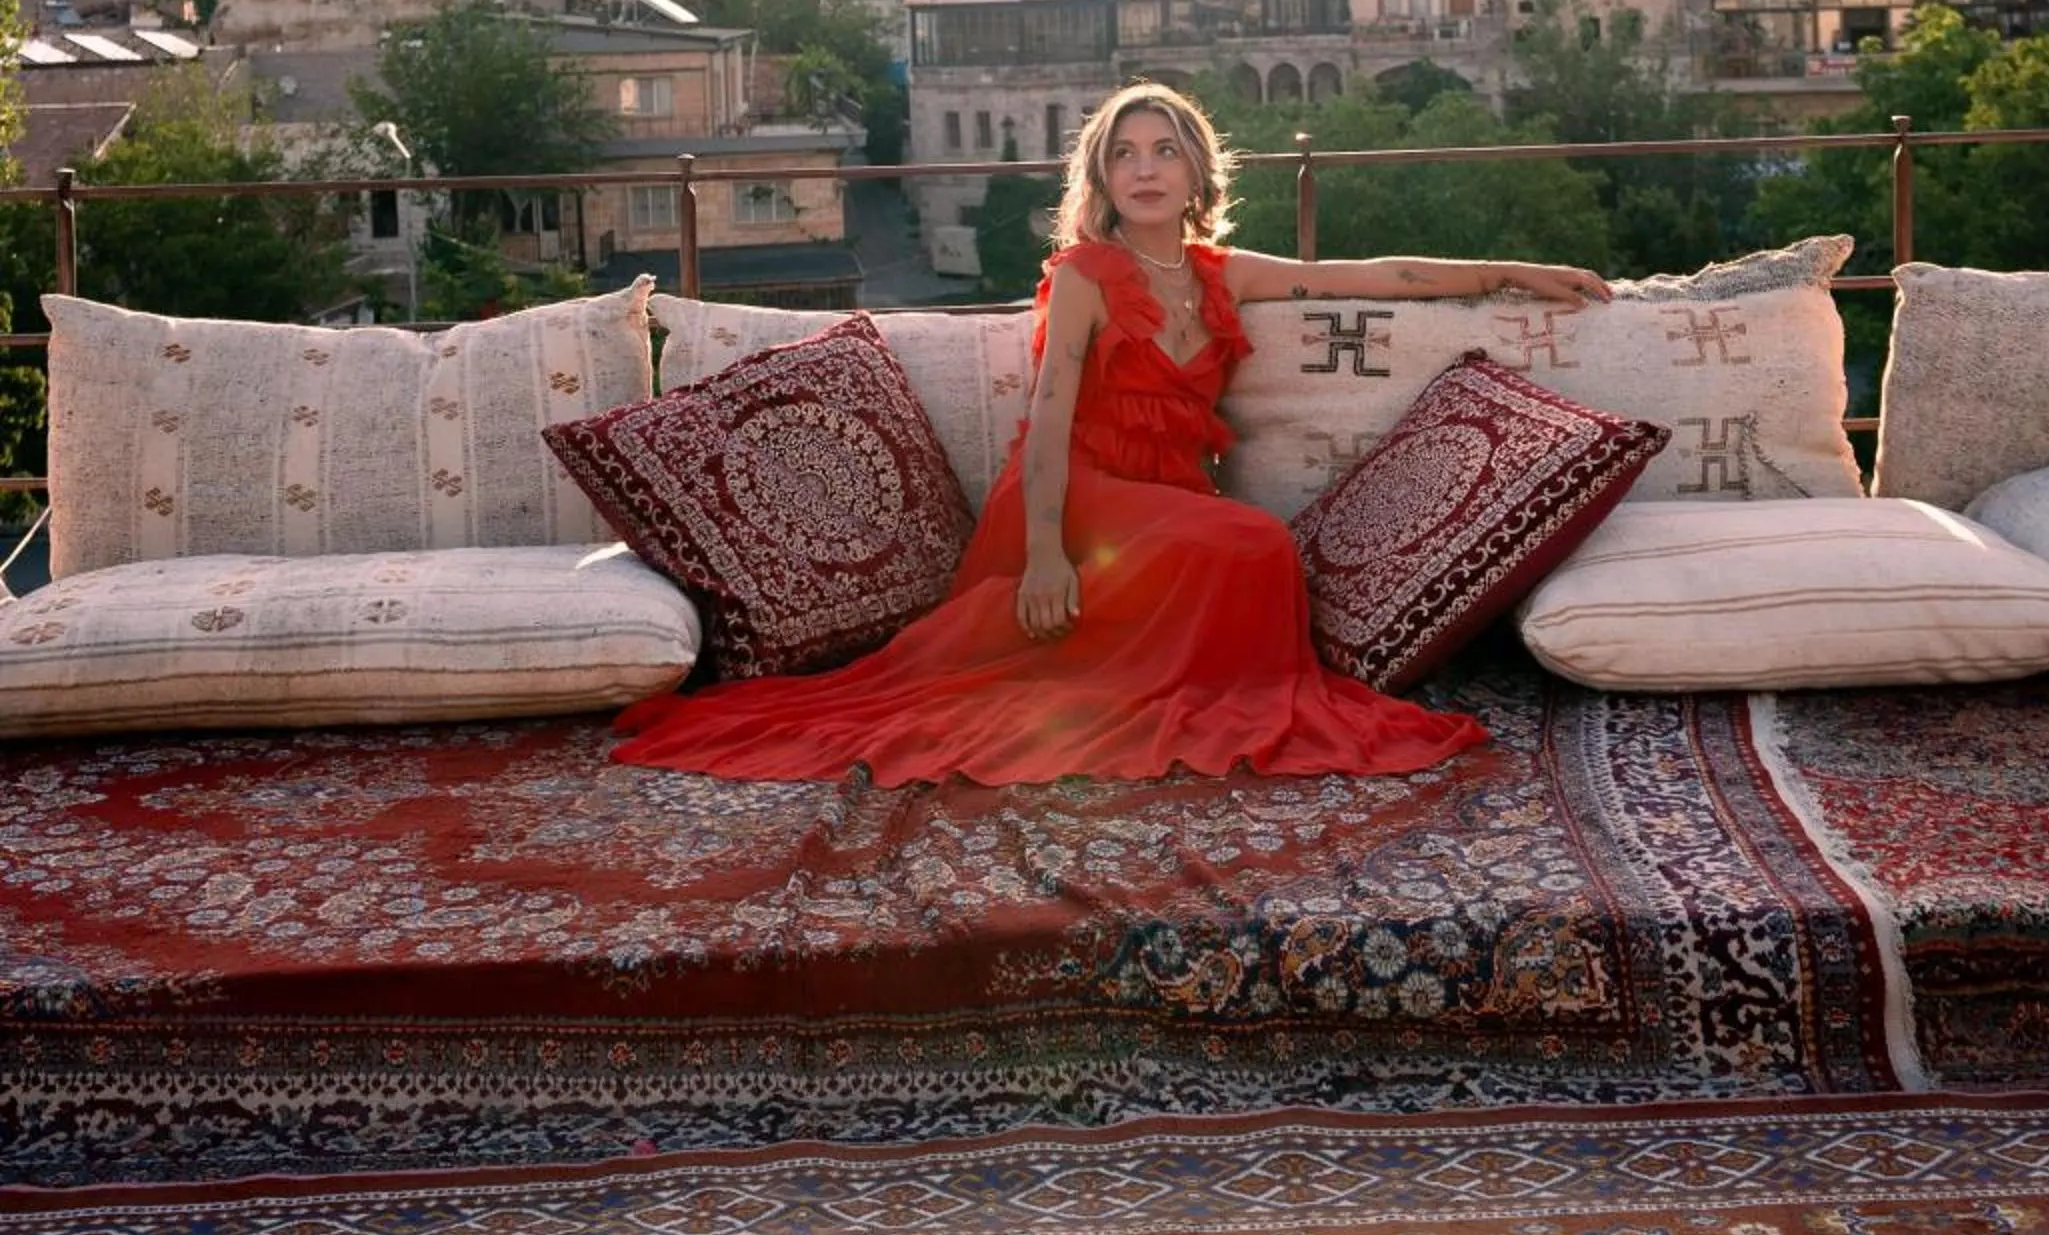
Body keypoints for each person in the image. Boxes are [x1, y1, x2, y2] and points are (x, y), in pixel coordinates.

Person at [612, 83, 1610, 790]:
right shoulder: (1086, 276)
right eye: (1124, 153)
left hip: (1167, 505)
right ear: (1101, 175)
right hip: (1073, 498)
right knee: (1260, 542)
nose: (1144, 168)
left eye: (1162, 149)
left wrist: (1510, 270)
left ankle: (1155, 683)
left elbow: (1373, 273)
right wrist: (1045, 556)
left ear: (1193, 171)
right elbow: (1045, 422)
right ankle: (1127, 675)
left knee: (1248, 545)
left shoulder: (1222, 271)